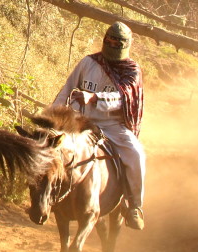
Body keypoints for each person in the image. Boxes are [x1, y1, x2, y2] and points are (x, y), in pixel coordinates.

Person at [52, 21, 147, 230]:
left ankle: (134, 206)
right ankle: (45, 196)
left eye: (117, 42)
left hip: (113, 125)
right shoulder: (88, 62)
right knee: (51, 147)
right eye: (109, 40)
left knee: (136, 154)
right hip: (81, 122)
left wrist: (94, 97)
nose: (112, 44)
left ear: (126, 45)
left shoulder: (131, 70)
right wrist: (54, 117)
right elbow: (67, 89)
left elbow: (124, 98)